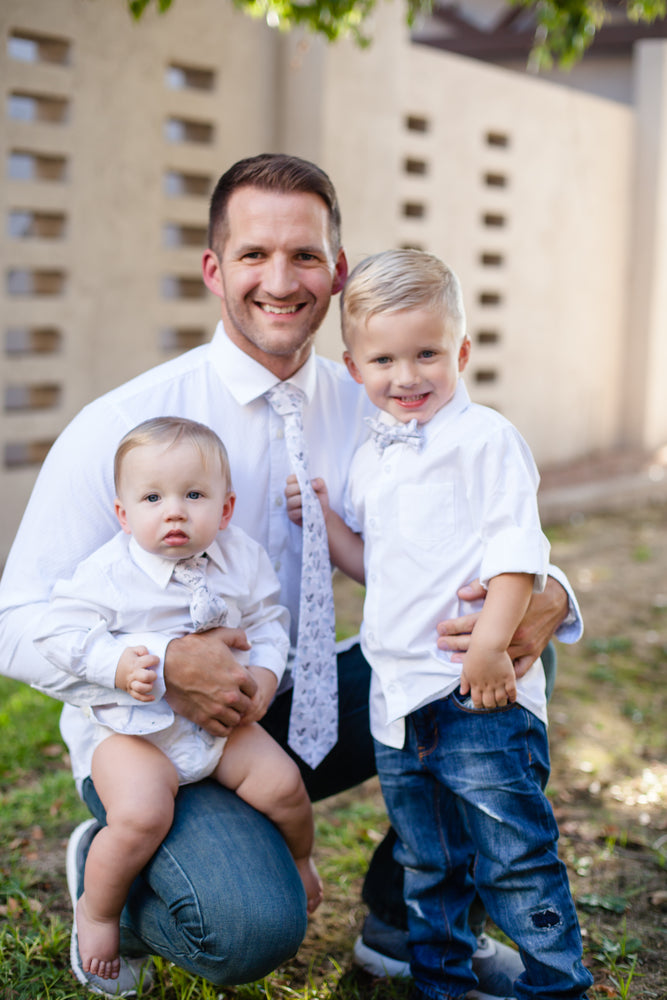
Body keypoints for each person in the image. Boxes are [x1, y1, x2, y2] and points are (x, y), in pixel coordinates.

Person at [0, 154, 582, 999]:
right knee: (248, 930)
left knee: (511, 662)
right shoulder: (125, 426)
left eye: (305, 256)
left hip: (303, 697)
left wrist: (550, 598)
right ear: (214, 270)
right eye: (253, 256)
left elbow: (482, 522)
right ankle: (113, 868)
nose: (281, 280)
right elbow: (15, 620)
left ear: (336, 271)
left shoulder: (378, 395)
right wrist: (164, 665)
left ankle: (400, 921)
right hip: (159, 733)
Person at [285, 248, 593, 1000]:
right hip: (398, 704)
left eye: (427, 354)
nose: (407, 376)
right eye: (384, 359)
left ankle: (556, 984)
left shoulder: (484, 440)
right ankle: (441, 983)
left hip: (473, 696)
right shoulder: (371, 456)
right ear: (354, 368)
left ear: (459, 351)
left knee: (514, 855)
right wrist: (326, 521)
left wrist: (490, 647)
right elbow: (374, 566)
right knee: (429, 864)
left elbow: (518, 550)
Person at [33, 416, 322, 984]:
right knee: (142, 815)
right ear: (123, 513)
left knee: (284, 784)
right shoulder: (108, 573)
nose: (175, 510)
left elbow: (267, 621)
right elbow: (54, 634)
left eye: (194, 495)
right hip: (134, 732)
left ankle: (300, 859)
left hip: (220, 725)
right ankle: (99, 909)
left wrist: (263, 673)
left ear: (226, 507)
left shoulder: (242, 558)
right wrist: (116, 663)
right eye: (152, 497)